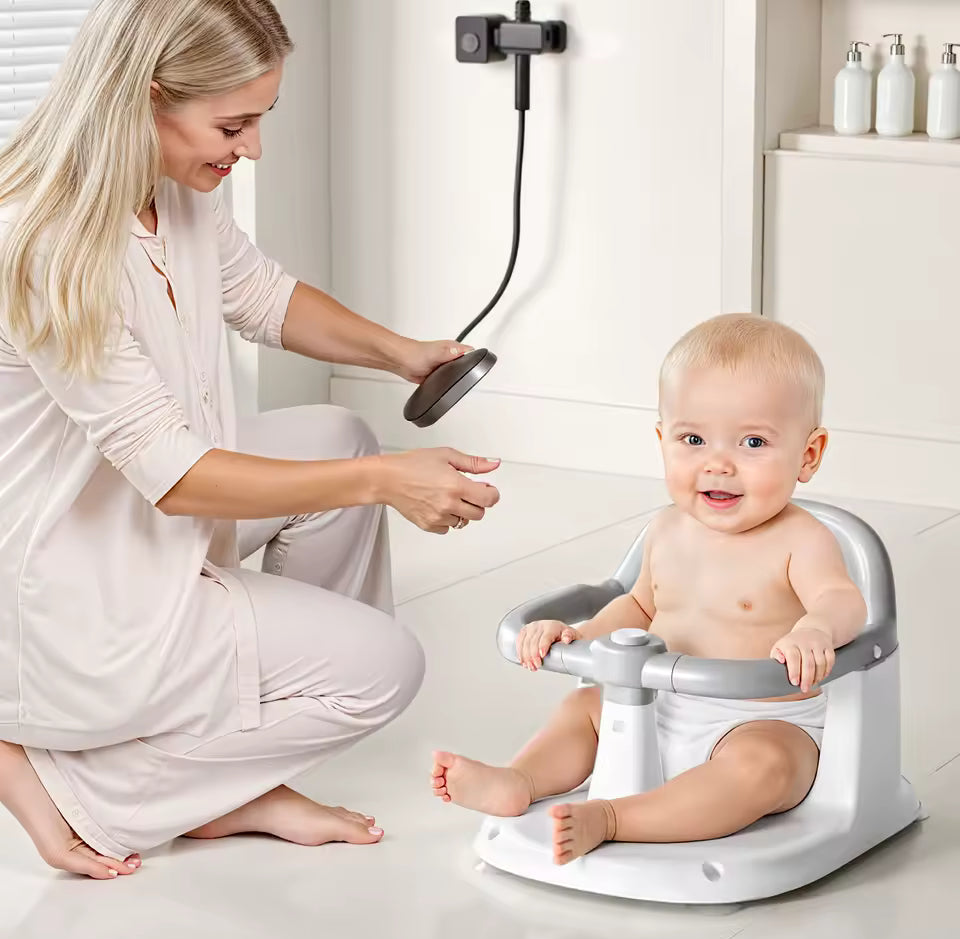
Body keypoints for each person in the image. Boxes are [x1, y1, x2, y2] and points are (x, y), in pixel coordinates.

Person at [0, 0, 500, 880]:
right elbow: (175, 475)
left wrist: (402, 354)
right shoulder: (46, 239)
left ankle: (229, 758)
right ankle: (73, 777)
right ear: (147, 99)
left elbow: (262, 296)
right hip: (79, 591)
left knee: (340, 438)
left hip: (126, 523)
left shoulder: (166, 188)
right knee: (385, 668)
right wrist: (386, 481)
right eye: (233, 127)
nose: (252, 149)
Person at [431, 314, 867, 865]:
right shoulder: (666, 529)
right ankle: (519, 781)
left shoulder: (801, 539)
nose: (718, 464)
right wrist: (581, 636)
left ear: (808, 454)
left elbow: (841, 599)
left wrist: (816, 630)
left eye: (753, 441)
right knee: (583, 708)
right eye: (693, 439)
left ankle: (615, 819)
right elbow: (639, 606)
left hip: (760, 720)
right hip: (658, 704)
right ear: (663, 441)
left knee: (765, 769)